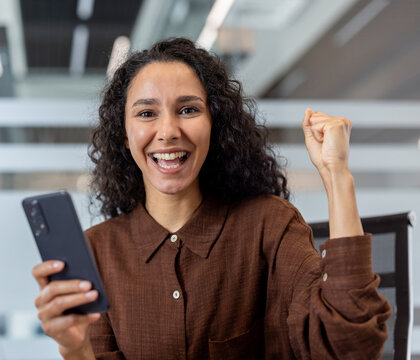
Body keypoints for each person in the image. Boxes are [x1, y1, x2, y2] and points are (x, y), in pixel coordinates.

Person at [32, 38, 391, 359]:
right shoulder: (97, 252)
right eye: (146, 113)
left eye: (188, 109)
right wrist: (76, 349)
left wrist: (336, 175)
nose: (169, 132)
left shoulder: (269, 226)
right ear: (125, 136)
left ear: (213, 124)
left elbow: (351, 346)